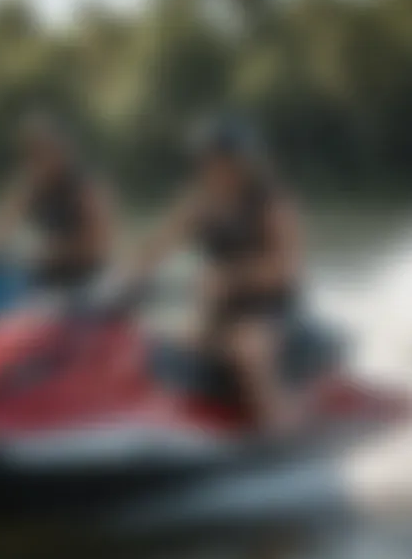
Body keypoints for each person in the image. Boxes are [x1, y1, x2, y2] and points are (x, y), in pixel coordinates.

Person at [128, 113, 304, 431]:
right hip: (217, 311)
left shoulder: (270, 203)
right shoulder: (200, 201)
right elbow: (158, 245)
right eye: (206, 159)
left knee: (248, 353)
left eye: (218, 158)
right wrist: (130, 273)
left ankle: (279, 430)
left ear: (241, 161)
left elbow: (286, 268)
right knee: (150, 347)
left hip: (268, 311)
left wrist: (232, 276)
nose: (210, 166)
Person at [0, 110, 115, 291]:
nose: (36, 158)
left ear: (61, 150)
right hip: (46, 271)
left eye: (43, 149)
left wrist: (46, 253)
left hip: (87, 276)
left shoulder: (86, 188)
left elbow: (99, 247)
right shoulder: (29, 183)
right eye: (31, 151)